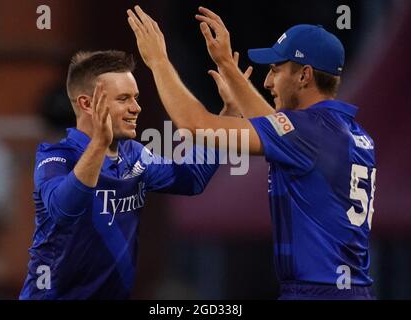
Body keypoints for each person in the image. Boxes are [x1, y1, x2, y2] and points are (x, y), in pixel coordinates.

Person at [127, 6, 377, 299]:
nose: (268, 82)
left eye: (276, 70)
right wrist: (229, 69)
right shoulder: (349, 133)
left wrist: (157, 60)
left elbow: (194, 124)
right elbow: (279, 129)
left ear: (304, 75)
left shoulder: (307, 132)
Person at [19, 50, 221, 299]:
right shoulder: (57, 157)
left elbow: (191, 178)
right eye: (124, 99)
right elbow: (63, 210)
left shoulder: (132, 155)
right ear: (87, 104)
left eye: (135, 98)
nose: (136, 108)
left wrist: (227, 118)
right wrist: (99, 145)